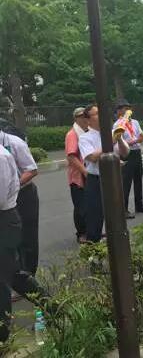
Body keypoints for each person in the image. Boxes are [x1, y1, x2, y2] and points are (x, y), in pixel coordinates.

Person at [0, 143, 48, 343]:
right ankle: (52, 306)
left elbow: (0, 198)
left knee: (3, 279)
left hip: (4, 220)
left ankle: (2, 336)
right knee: (12, 273)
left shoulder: (1, 157)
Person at [79, 104, 129, 243]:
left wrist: (119, 139)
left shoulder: (113, 132)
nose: (101, 115)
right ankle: (94, 246)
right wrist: (110, 141)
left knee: (116, 213)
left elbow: (125, 153)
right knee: (95, 215)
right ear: (88, 120)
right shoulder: (85, 138)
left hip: (114, 178)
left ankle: (118, 243)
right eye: (96, 113)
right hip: (96, 180)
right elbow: (92, 157)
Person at [0, 129, 39, 276]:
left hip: (24, 194)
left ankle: (29, 275)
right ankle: (14, 275)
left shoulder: (15, 143)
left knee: (27, 237)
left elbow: (32, 170)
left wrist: (13, 186)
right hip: (6, 198)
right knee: (9, 240)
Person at [113, 99, 143, 218]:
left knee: (138, 179)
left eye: (129, 108)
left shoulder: (135, 122)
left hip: (137, 152)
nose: (128, 110)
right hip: (126, 153)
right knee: (126, 182)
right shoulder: (118, 124)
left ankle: (139, 205)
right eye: (125, 108)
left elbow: (140, 134)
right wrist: (136, 141)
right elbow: (117, 143)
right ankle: (123, 209)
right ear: (119, 111)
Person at [65, 107, 89, 244]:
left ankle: (91, 230)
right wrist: (84, 171)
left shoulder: (87, 132)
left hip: (89, 174)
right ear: (75, 118)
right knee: (80, 206)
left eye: (85, 115)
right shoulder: (72, 134)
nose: (84, 118)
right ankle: (82, 233)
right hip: (78, 176)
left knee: (91, 204)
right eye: (81, 116)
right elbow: (71, 157)